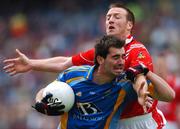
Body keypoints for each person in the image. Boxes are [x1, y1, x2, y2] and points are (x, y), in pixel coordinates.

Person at [3, 3, 166, 129]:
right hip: (113, 121)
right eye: (108, 17)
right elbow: (66, 62)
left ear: (130, 25)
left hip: (137, 120)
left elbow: (140, 77)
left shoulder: (137, 51)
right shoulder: (103, 51)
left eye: (116, 16)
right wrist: (31, 64)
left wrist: (141, 92)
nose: (110, 20)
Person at [33, 35, 175, 129]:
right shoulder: (73, 75)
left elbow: (169, 96)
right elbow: (45, 91)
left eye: (123, 57)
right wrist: (40, 102)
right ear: (100, 59)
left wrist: (146, 71)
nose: (121, 62)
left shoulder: (125, 84)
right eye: (115, 57)